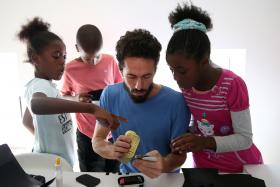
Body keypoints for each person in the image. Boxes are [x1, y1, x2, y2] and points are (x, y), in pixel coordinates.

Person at [166, 3, 263, 172]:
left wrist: (205, 142)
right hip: (204, 167)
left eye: (181, 71)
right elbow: (200, 121)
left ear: (204, 62)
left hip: (240, 167)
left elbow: (245, 138)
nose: (175, 78)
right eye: (172, 70)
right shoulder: (187, 86)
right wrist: (185, 135)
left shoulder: (232, 84)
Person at [18, 17, 125, 167]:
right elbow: (36, 104)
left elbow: (26, 121)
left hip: (63, 158)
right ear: (35, 58)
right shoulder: (39, 86)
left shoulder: (49, 87)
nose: (62, 61)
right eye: (56, 56)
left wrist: (42, 139)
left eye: (64, 56)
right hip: (54, 158)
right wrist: (91, 108)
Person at [92, 29, 191, 178]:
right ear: (120, 70)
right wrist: (112, 150)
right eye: (131, 76)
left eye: (146, 76)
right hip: (127, 178)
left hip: (165, 180)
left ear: (155, 70)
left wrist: (164, 164)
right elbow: (97, 141)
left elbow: (180, 156)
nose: (139, 85)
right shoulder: (109, 95)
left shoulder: (177, 102)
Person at [60, 24, 123, 172]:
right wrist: (76, 99)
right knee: (92, 177)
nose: (94, 61)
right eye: (89, 58)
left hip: (112, 130)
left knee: (114, 173)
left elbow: (120, 88)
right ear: (77, 48)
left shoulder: (110, 60)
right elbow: (63, 97)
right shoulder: (69, 69)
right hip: (86, 134)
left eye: (97, 56)